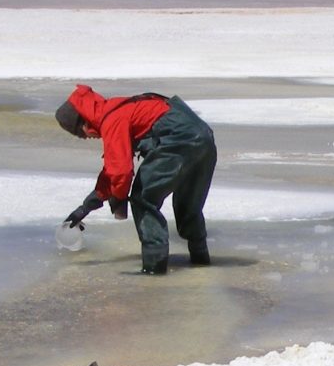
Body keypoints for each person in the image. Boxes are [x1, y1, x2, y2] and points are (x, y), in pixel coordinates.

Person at [55, 85, 217, 275]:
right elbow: (112, 171)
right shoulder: (119, 108)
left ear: (85, 124)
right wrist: (85, 207)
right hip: (204, 137)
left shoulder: (112, 120)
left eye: (82, 135)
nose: (88, 138)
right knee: (188, 204)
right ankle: (200, 260)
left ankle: (154, 270)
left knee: (143, 199)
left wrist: (119, 197)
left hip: (178, 140)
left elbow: (120, 171)